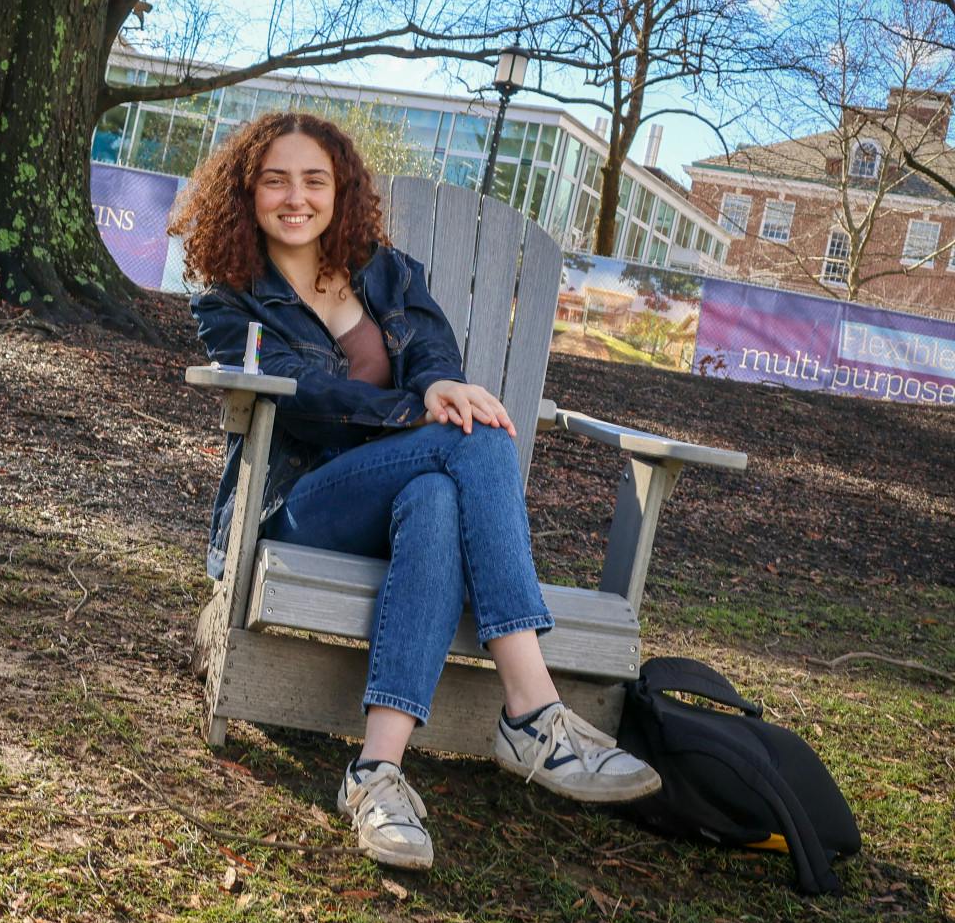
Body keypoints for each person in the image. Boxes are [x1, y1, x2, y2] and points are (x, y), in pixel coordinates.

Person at [169, 111, 661, 871]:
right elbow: (301, 395)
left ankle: (377, 772)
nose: (295, 197)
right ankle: (532, 710)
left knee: (436, 493)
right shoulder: (230, 291)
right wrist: (418, 408)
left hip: (401, 498)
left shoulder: (385, 269)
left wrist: (435, 384)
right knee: (477, 435)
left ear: (340, 191)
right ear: (247, 191)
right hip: (298, 505)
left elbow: (433, 348)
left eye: (313, 180)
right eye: (275, 180)